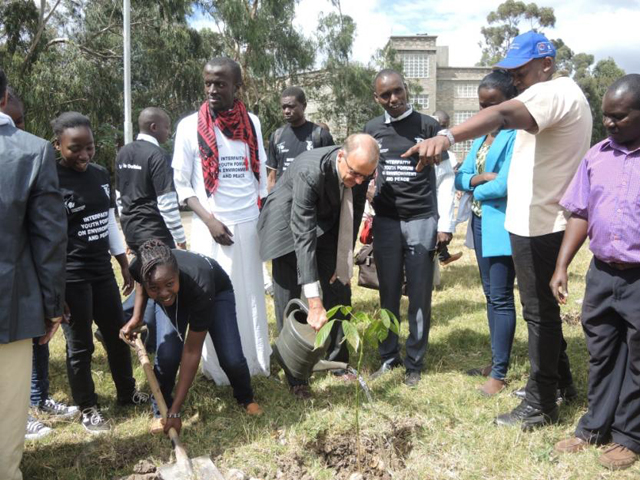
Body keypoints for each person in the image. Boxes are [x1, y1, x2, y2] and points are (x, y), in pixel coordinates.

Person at [403, 30, 592, 428]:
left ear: (546, 64)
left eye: (520, 71)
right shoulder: (550, 94)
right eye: (511, 71)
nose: (516, 79)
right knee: (541, 313)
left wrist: (448, 134)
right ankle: (562, 385)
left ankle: (541, 404)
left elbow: (504, 115)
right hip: (531, 221)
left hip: (542, 222)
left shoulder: (553, 92)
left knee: (539, 315)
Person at [551, 75, 640, 470]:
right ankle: (594, 427)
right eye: (605, 116)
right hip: (602, 272)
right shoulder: (596, 156)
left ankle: (629, 435)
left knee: (638, 357)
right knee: (602, 351)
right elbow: (580, 212)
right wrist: (562, 265)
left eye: (619, 117)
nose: (609, 123)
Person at [172, 57, 271, 384]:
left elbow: (258, 176)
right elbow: (182, 185)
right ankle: (218, 370)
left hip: (248, 225)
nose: (213, 90)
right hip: (210, 228)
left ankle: (255, 362)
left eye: (221, 83)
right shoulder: (189, 126)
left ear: (237, 86)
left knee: (250, 295)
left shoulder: (252, 122)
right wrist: (209, 221)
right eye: (208, 83)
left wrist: (260, 218)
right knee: (215, 298)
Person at [258, 134, 378, 398]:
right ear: (340, 157)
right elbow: (303, 235)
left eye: (365, 177)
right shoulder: (309, 171)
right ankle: (295, 373)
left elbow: (355, 210)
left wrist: (342, 255)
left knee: (338, 288)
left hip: (326, 224)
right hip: (286, 230)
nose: (359, 182)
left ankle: (337, 360)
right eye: (355, 175)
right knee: (291, 299)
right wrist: (313, 301)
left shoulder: (360, 168)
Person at [52, 111, 149, 435]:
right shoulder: (50, 180)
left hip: (101, 271)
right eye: (74, 149)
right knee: (80, 347)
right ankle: (88, 407)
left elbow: (108, 221)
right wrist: (54, 286)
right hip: (71, 278)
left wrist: (123, 262)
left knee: (117, 336)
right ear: (58, 146)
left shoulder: (98, 174)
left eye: (89, 147)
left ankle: (126, 393)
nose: (83, 155)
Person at [0, 88, 79, 442]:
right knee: (6, 412)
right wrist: (52, 306)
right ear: (4, 97)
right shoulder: (32, 151)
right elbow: (50, 238)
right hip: (8, 306)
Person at [121, 240, 263, 434]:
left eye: (169, 284)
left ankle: (246, 398)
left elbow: (191, 351)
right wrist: (137, 317)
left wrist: (176, 412)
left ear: (177, 273)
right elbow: (140, 282)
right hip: (178, 290)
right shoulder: (140, 266)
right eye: (154, 288)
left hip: (215, 291)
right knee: (167, 355)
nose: (163, 293)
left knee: (231, 358)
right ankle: (160, 410)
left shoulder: (201, 284)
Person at [363, 69, 445, 386]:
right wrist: (370, 193)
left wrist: (444, 224)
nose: (393, 99)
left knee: (420, 293)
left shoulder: (428, 126)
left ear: (406, 89)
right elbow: (367, 169)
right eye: (386, 95)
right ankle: (388, 357)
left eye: (398, 91)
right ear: (377, 98)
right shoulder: (372, 130)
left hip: (421, 218)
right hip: (385, 220)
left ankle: (415, 361)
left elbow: (445, 176)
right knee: (388, 293)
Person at [454, 70, 518, 396]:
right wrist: (479, 180)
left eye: (492, 105)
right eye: (481, 106)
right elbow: (459, 177)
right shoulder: (482, 137)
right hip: (480, 223)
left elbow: (505, 184)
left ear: (508, 103)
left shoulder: (517, 136)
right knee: (490, 295)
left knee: (501, 297)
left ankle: (500, 373)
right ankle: (495, 362)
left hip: (502, 226)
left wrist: (474, 187)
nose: (486, 112)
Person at [116, 107, 187, 354]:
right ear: (155, 127)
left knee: (145, 282)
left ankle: (136, 328)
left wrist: (127, 232)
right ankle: (128, 326)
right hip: (155, 232)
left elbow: (119, 197)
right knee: (159, 286)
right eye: (167, 127)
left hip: (133, 229)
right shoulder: (158, 155)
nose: (169, 132)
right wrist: (180, 238)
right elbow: (167, 203)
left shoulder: (123, 152)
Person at [266, 86, 334, 191]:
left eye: (291, 106)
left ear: (304, 106)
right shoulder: (276, 136)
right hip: (282, 201)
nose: (286, 111)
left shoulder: (320, 136)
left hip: (311, 200)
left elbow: (331, 176)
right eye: (283, 107)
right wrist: (269, 203)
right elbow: (271, 177)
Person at [433, 110, 462, 266]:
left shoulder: (447, 154)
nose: (443, 130)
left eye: (445, 127)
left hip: (439, 206)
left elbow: (447, 187)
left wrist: (446, 225)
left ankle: (442, 257)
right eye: (440, 126)